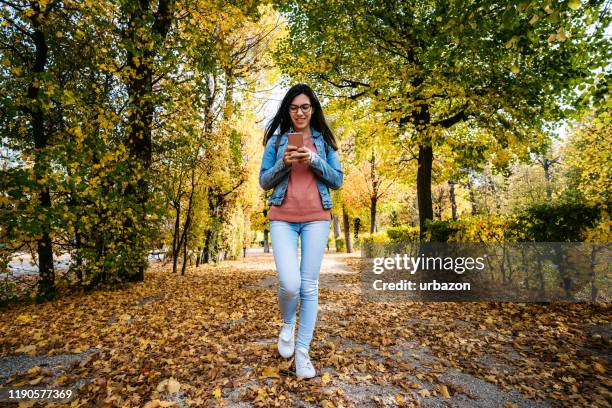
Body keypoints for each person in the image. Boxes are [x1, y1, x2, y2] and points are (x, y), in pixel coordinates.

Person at [259, 84, 343, 379]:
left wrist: (314, 160)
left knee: (309, 286)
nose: (299, 112)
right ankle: (286, 322)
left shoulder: (324, 141)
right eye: (294, 107)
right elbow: (264, 182)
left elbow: (337, 181)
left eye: (305, 107)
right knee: (290, 283)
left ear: (313, 109)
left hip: (317, 217)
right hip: (282, 216)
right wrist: (284, 163)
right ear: (287, 110)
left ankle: (303, 353)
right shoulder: (278, 140)